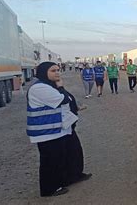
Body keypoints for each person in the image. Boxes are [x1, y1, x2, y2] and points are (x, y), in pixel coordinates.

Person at [27, 62, 88, 197]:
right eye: (53, 70)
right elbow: (63, 99)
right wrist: (61, 87)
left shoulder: (50, 86)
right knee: (51, 161)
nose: (57, 73)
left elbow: (68, 99)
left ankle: (73, 176)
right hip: (47, 132)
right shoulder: (40, 88)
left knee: (72, 153)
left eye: (58, 70)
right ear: (43, 72)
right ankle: (49, 189)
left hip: (61, 128)